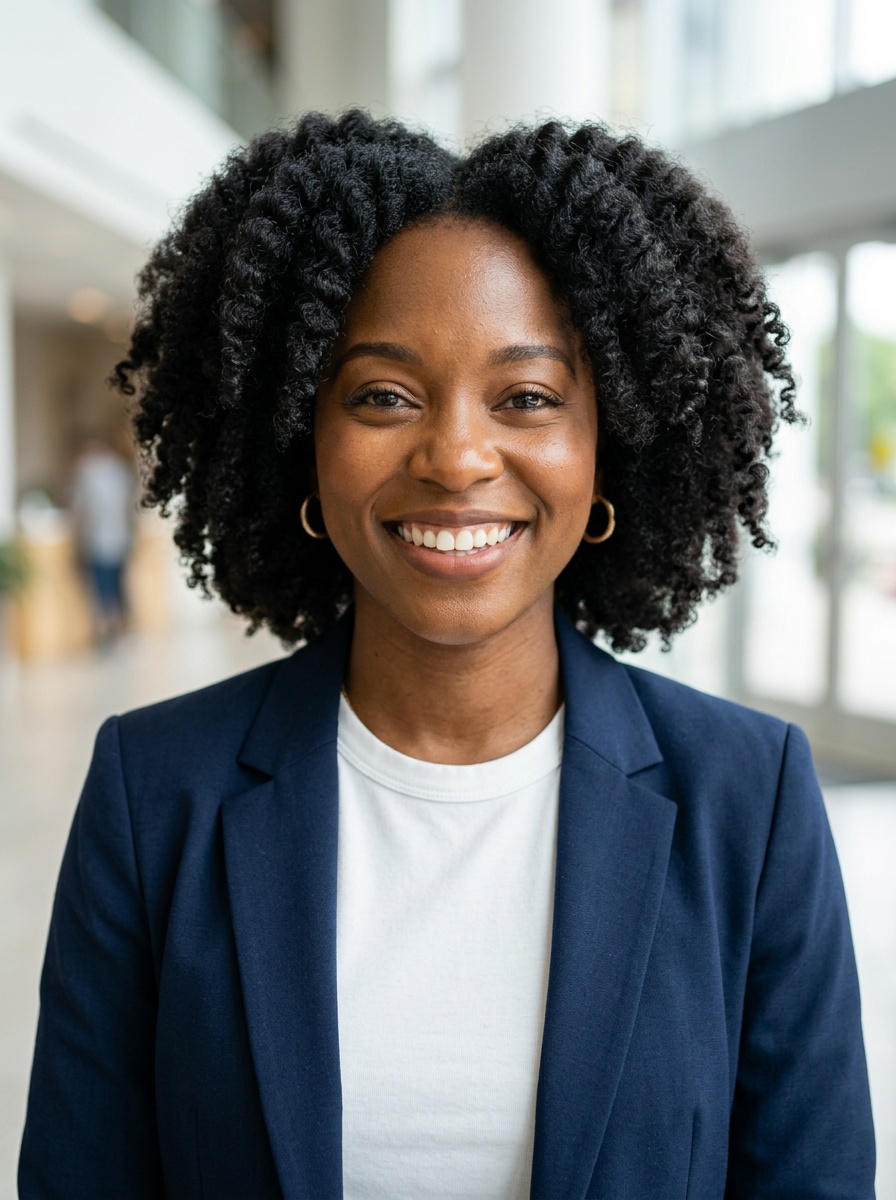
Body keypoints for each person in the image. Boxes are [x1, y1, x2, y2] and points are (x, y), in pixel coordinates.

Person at [19, 111, 875, 1199]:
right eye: (384, 396)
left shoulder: (748, 800)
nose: (456, 456)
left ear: (606, 447)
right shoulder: (154, 793)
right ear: (302, 438)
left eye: (527, 398)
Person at [70, 435, 135, 643]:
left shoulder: (88, 474)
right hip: (120, 538)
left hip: (98, 541)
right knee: (117, 586)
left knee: (103, 589)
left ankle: (109, 630)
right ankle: (120, 628)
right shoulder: (119, 471)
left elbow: (82, 510)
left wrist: (79, 537)